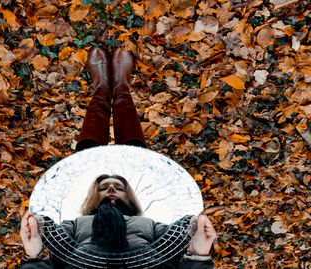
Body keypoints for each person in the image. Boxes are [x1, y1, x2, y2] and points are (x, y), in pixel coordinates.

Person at [20, 47, 217, 268]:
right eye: (105, 187)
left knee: (87, 152)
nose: (111, 190)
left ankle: (101, 90)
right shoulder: (149, 224)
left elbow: (51, 234)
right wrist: (199, 254)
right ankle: (122, 90)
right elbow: (180, 232)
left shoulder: (75, 223)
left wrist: (33, 255)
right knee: (136, 153)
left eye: (116, 187)